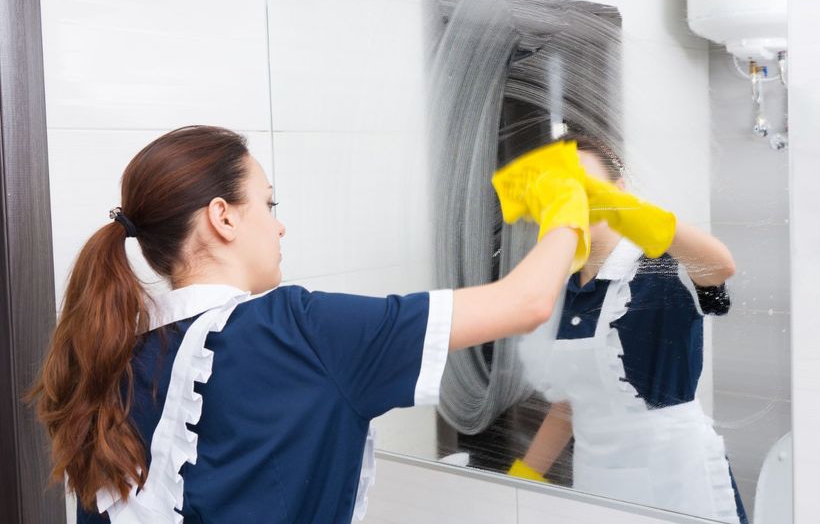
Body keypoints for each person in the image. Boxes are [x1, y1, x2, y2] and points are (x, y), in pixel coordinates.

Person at [30, 126, 602, 523]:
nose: (279, 228)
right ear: (223, 217)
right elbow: (525, 302)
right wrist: (568, 208)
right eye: (270, 205)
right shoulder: (301, 329)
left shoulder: (111, 358)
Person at [508, 133, 749, 524]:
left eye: (585, 185)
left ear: (618, 191)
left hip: (677, 482)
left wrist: (629, 211)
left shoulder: (661, 266)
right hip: (597, 484)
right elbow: (568, 405)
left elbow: (720, 266)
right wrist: (525, 477)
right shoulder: (559, 289)